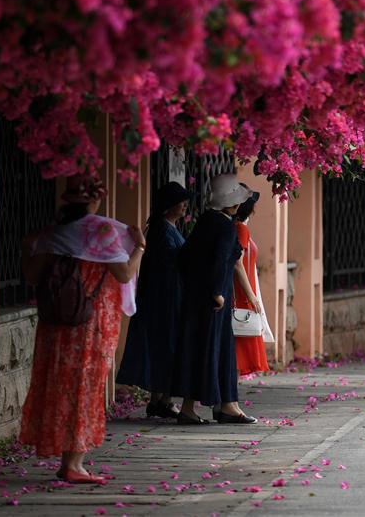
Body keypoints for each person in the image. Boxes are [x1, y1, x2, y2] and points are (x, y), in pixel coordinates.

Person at [19, 174, 144, 484]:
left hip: (56, 325)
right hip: (90, 324)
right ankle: (74, 463)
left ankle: (67, 458)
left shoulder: (53, 234)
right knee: (85, 389)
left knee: (59, 386)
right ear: (94, 200)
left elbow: (33, 276)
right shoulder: (102, 232)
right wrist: (140, 248)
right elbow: (125, 274)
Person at [170, 174, 257, 424]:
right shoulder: (225, 227)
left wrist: (196, 285)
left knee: (197, 349)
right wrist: (217, 292)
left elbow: (185, 256)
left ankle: (194, 407)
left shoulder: (205, 221)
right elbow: (220, 262)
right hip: (214, 299)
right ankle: (225, 406)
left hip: (196, 296)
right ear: (234, 204)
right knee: (214, 350)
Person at [117, 181, 189, 418]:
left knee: (164, 347)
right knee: (166, 347)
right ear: (169, 206)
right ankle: (162, 399)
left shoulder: (166, 227)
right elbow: (172, 262)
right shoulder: (162, 230)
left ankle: (160, 398)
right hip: (163, 298)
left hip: (165, 296)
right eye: (181, 202)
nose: (185, 206)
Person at [232, 187, 274, 375]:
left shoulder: (237, 227)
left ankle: (228, 400)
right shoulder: (241, 229)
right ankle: (228, 400)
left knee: (237, 347)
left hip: (242, 289)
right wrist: (251, 296)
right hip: (242, 293)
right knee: (239, 347)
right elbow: (237, 262)